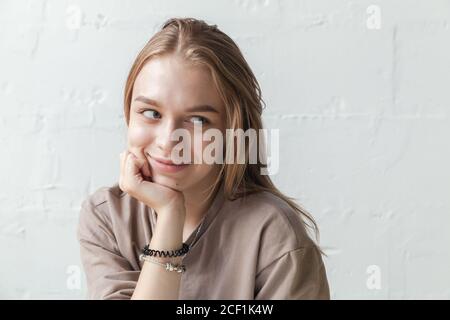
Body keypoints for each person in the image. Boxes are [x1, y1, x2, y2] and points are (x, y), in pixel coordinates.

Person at [77, 17, 330, 300]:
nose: (168, 140)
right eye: (151, 113)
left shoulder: (275, 237)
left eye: (198, 120)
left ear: (233, 130)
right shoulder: (106, 216)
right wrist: (171, 215)